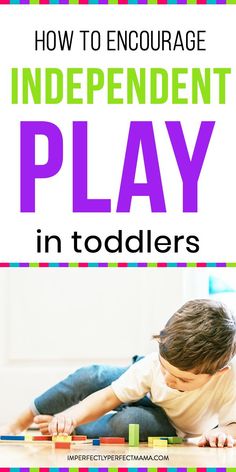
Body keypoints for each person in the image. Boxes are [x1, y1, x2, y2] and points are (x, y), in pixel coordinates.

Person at [2, 299, 236, 448]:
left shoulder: (229, 379)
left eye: (183, 379)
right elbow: (107, 397)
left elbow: (232, 424)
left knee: (129, 422)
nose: (168, 380)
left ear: (217, 373)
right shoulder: (154, 366)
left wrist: (224, 433)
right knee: (90, 376)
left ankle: (65, 429)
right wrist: (72, 414)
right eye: (166, 369)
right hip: (146, 386)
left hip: (169, 423)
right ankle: (20, 421)